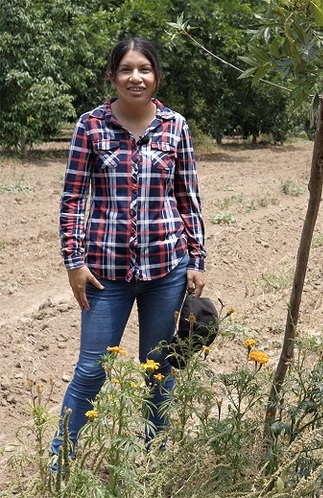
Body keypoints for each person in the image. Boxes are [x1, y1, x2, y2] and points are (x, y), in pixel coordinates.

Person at [52, 37, 207, 460]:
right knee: (90, 371)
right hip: (105, 274)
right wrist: (74, 262)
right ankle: (60, 461)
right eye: (126, 69)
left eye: (144, 69)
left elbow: (187, 197)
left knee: (158, 372)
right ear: (113, 76)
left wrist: (196, 259)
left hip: (166, 271)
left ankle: (153, 460)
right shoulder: (91, 126)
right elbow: (71, 199)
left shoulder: (175, 126)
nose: (135, 78)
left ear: (156, 77)